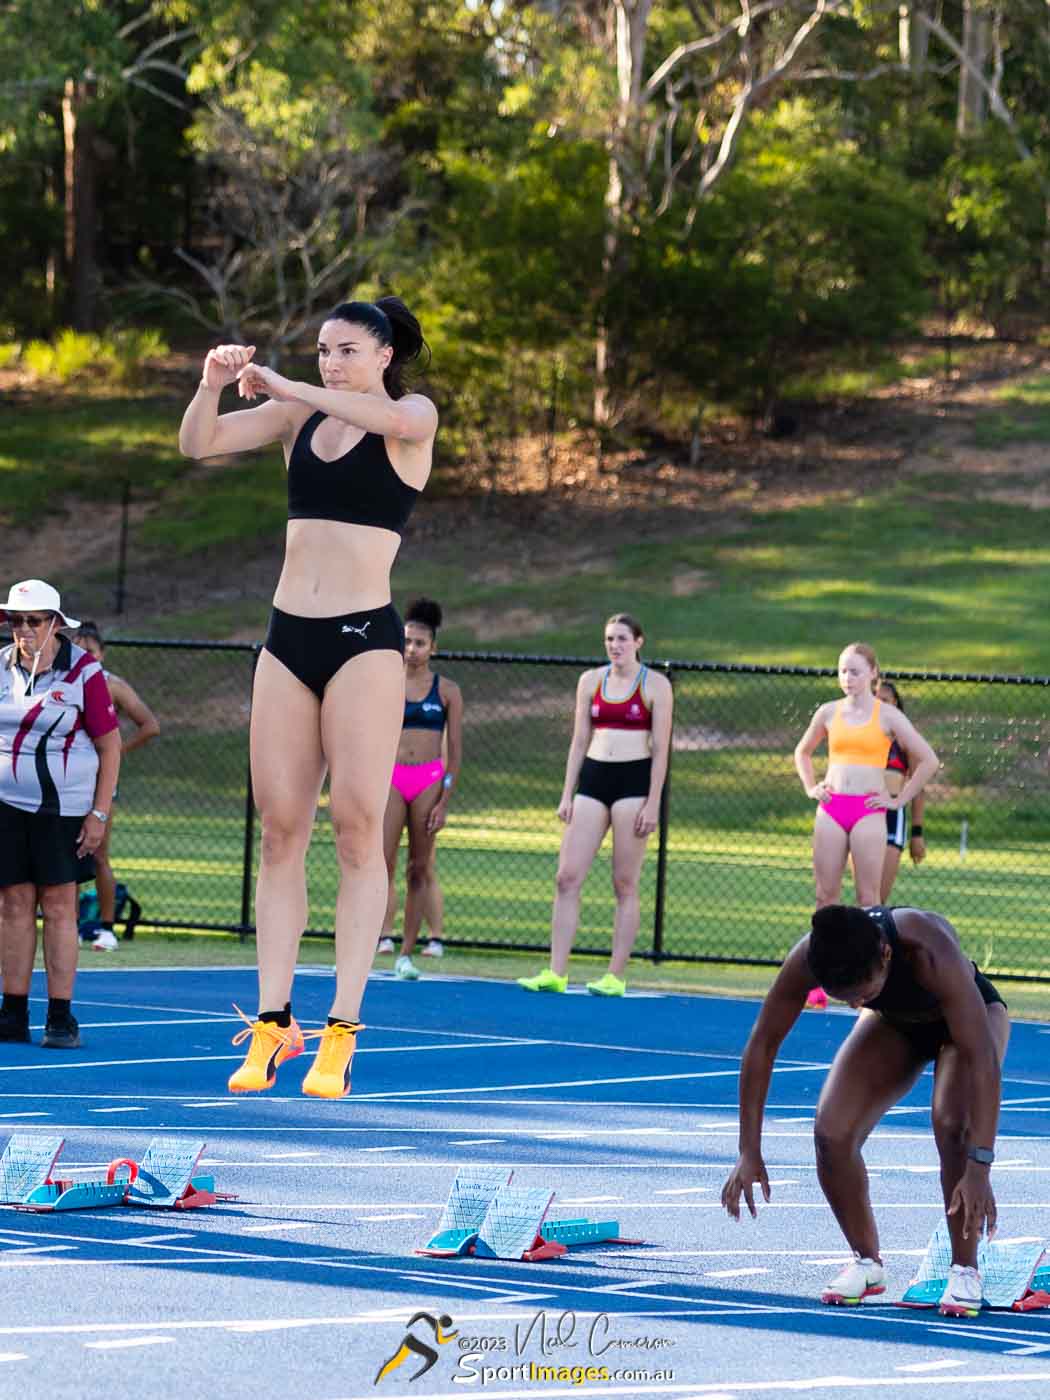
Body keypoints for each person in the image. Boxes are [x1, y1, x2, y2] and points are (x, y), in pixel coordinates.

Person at [178, 297, 436, 1097]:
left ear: (384, 355)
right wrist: (211, 384)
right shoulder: (298, 422)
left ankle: (342, 1029)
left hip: (364, 643)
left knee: (358, 832)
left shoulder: (412, 417)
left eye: (347, 350)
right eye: (322, 350)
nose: (330, 362)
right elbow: (199, 445)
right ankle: (272, 1022)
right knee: (280, 831)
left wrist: (290, 385)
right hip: (287, 640)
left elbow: (355, 408)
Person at [721, 903, 1009, 1319]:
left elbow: (982, 1058)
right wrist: (749, 1150)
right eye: (846, 998)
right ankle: (867, 1262)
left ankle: (965, 1269)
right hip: (895, 1024)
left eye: (862, 993)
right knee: (832, 1131)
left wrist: (979, 1166)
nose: (855, 1003)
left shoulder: (926, 947)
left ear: (886, 955)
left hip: (970, 1021)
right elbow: (761, 1045)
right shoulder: (810, 956)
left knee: (952, 1124)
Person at [519, 612, 672, 997]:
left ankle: (615, 976)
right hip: (593, 779)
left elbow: (661, 749)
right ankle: (556, 971)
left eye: (622, 638)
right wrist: (567, 793)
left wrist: (653, 803)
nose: (615, 645)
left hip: (633, 783)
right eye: (609, 639)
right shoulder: (590, 681)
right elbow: (578, 739)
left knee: (624, 882)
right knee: (566, 876)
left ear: (639, 641)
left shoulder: (656, 685)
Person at [0, 580, 121, 1048]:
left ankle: (60, 1016)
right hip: (7, 807)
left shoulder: (84, 672)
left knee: (59, 906)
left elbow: (111, 747)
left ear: (54, 623)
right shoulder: (2, 666)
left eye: (33, 620)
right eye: (16, 620)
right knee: (12, 904)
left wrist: (99, 814)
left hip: (63, 809)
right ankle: (11, 1011)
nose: (24, 629)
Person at [793, 643, 938, 1009]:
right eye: (842, 670)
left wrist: (898, 800)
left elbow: (928, 760)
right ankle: (818, 980)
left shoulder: (887, 716)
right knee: (825, 898)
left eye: (856, 671)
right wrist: (812, 786)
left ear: (873, 673)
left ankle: (870, 984)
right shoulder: (828, 712)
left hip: (869, 812)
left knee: (869, 901)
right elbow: (803, 752)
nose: (848, 678)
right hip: (832, 808)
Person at [378, 596, 462, 981]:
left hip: (427, 780)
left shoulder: (447, 692)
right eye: (406, 641)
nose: (411, 650)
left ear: (434, 648)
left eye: (419, 643)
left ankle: (406, 955)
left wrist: (444, 800)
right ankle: (370, 941)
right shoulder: (384, 681)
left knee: (418, 868)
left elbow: (455, 755)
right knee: (379, 865)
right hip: (391, 778)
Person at [72, 622, 161, 951]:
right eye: (78, 650)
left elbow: (150, 725)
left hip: (100, 784)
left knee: (98, 854)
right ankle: (72, 924)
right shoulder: (63, 682)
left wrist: (117, 752)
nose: (84, 657)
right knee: (66, 857)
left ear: (102, 654)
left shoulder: (113, 686)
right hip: (67, 781)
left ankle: (106, 928)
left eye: (91, 651)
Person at [876, 680, 927, 903]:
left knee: (878, 898)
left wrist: (917, 833)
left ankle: (876, 936)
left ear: (895, 703)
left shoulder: (905, 738)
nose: (880, 705)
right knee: (864, 894)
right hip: (863, 811)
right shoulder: (861, 733)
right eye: (875, 700)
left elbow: (918, 787)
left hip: (891, 815)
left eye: (885, 700)